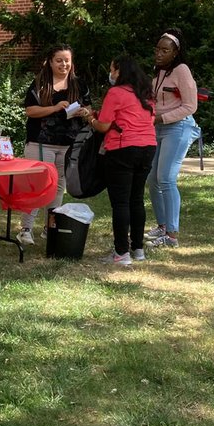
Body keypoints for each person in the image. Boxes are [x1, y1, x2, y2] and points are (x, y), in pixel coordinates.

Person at [17, 44, 92, 246]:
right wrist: (55, 108)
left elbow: (89, 108)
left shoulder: (79, 84)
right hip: (41, 143)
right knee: (38, 185)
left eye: (67, 60)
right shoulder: (40, 83)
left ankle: (50, 227)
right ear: (50, 62)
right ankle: (25, 229)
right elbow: (30, 111)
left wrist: (84, 112)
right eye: (59, 60)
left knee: (59, 186)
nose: (64, 64)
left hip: (68, 144)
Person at [87, 55, 157, 267]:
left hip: (122, 149)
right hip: (148, 147)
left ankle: (121, 253)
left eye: (112, 69)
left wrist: (89, 118)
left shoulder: (115, 92)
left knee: (121, 202)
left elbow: (103, 125)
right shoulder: (146, 94)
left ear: (119, 71)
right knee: (136, 199)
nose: (111, 74)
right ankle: (138, 249)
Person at [146, 28, 200, 248]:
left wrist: (162, 118)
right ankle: (162, 226)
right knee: (153, 179)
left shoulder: (182, 70)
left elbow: (190, 106)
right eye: (157, 49)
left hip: (178, 128)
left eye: (165, 50)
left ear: (175, 52)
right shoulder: (159, 72)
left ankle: (172, 235)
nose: (159, 54)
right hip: (159, 128)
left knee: (166, 178)